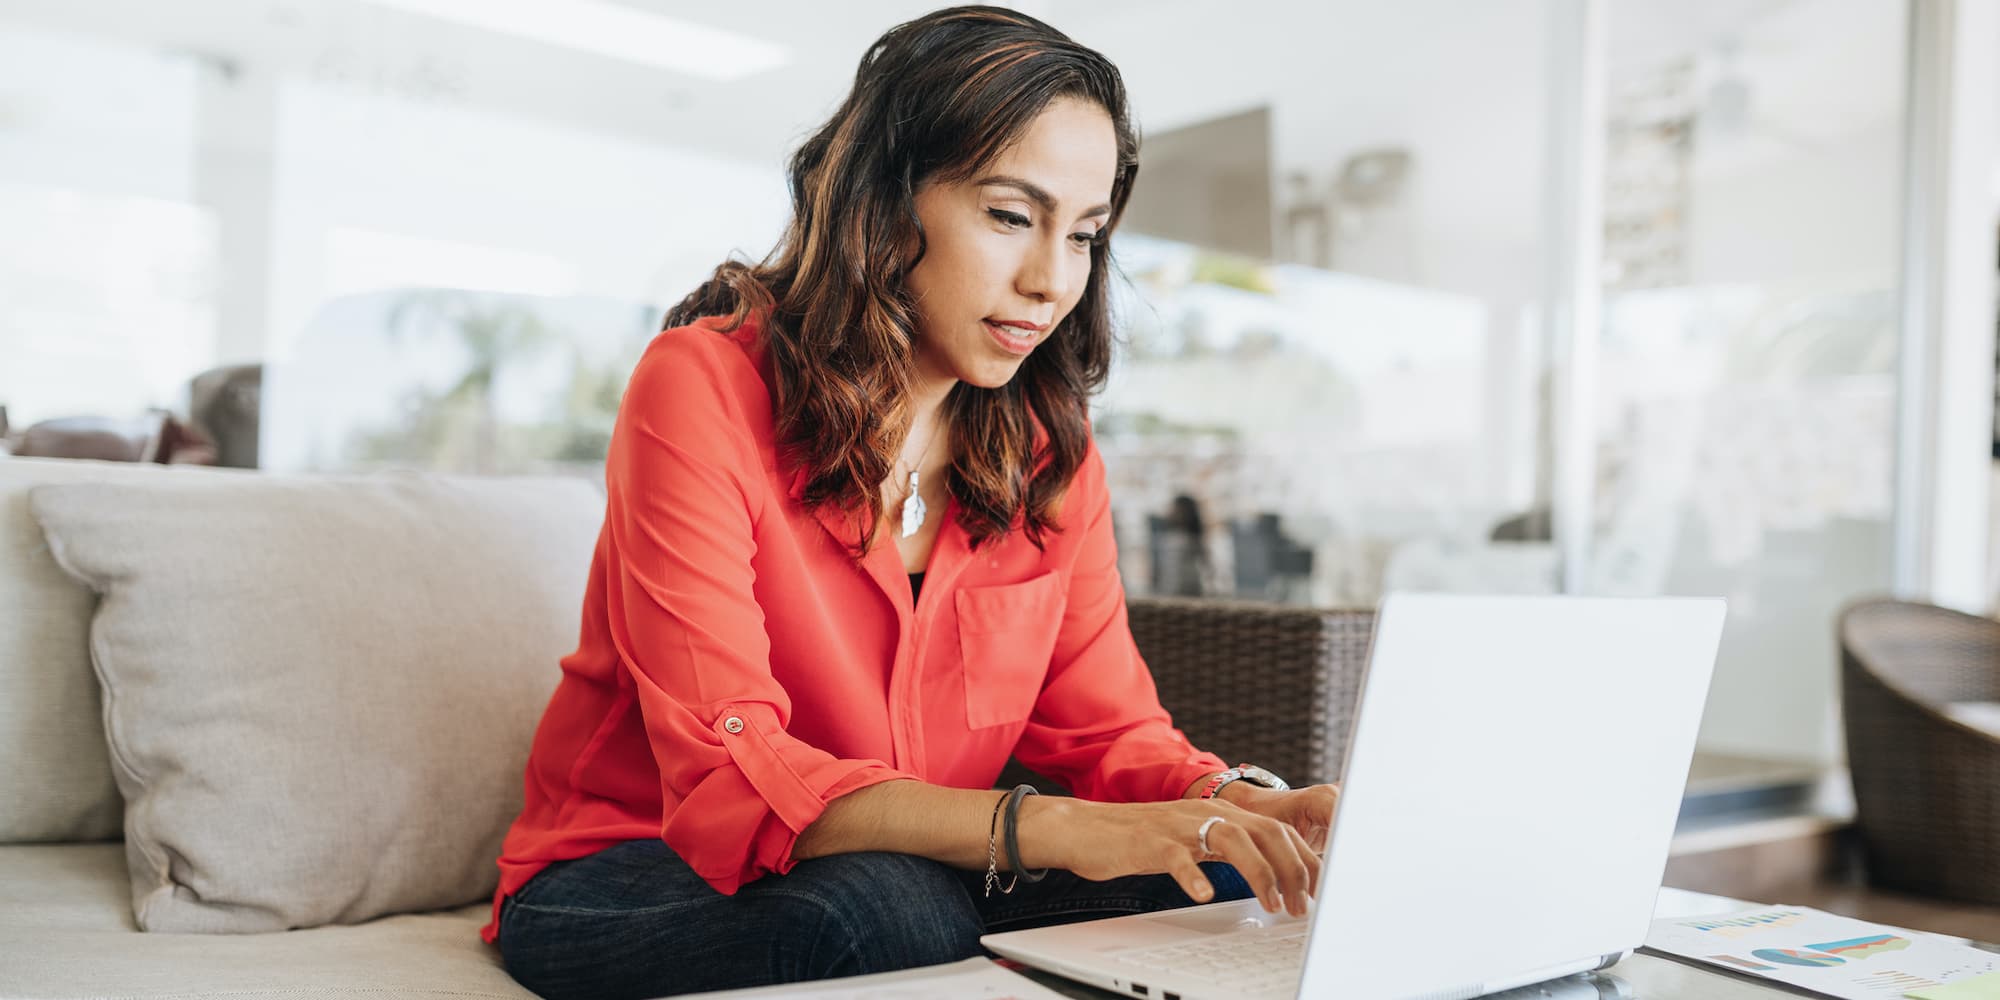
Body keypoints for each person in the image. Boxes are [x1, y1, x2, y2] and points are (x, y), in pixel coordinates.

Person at [482, 7, 1339, 997]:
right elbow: (732, 765)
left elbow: (1107, 734)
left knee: (1226, 868)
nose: (1049, 280)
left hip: (930, 864)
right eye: (1010, 216)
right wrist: (1045, 827)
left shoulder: (1048, 453)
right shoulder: (701, 386)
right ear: (885, 201)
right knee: (888, 905)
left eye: (1084, 234)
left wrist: (1234, 803)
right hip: (632, 872)